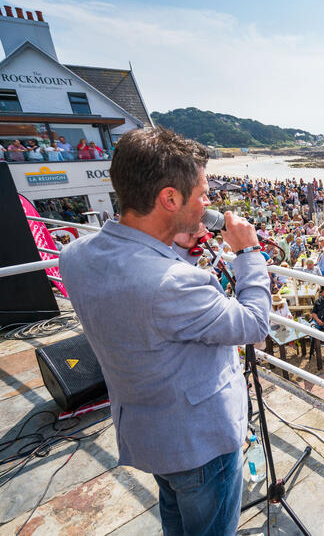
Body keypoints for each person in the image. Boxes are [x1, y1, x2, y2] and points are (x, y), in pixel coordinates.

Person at [59, 127, 272, 535]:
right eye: (203, 194)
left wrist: (172, 247)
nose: (208, 203)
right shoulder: (172, 283)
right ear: (169, 198)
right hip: (200, 444)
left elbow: (143, 314)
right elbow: (254, 323)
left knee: (176, 523)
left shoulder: (75, 256)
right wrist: (248, 252)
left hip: (148, 432)